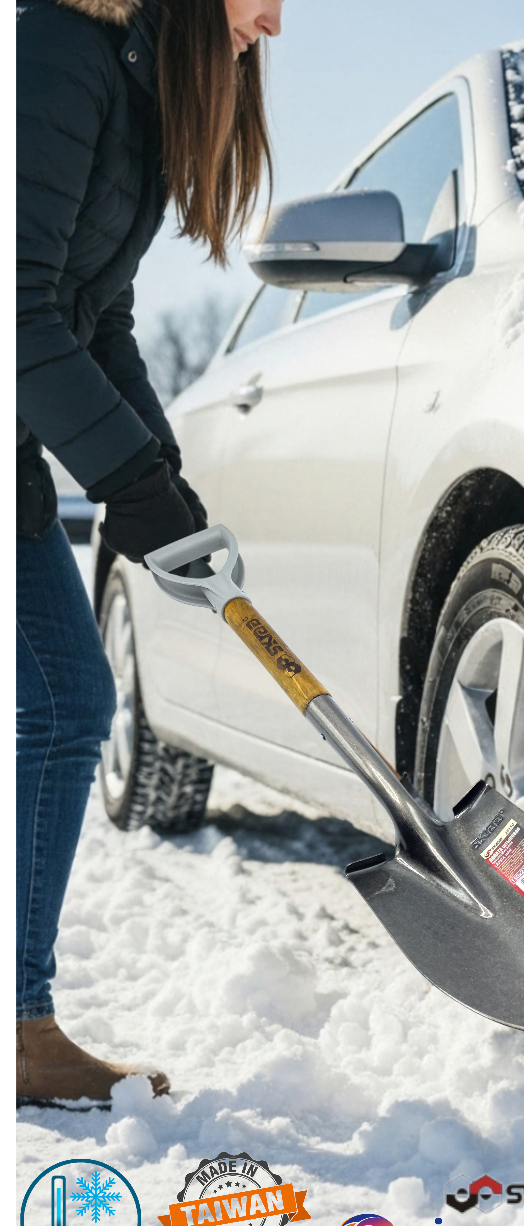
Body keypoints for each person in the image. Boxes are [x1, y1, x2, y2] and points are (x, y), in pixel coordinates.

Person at [17, 0, 283, 1108]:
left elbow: (96, 310)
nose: (274, 22)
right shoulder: (53, 50)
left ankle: (19, 1026)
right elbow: (14, 302)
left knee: (71, 699)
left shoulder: (126, 78)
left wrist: (160, 475)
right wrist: (125, 482)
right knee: (72, 698)